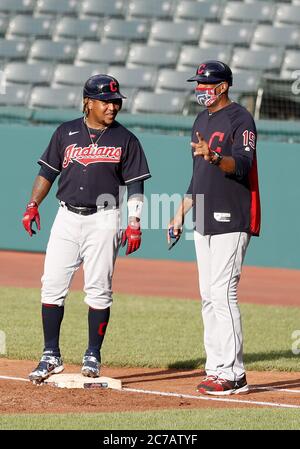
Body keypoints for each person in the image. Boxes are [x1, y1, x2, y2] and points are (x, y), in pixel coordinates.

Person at [23, 74, 151, 382]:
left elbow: (136, 186)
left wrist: (135, 223)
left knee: (98, 288)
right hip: (66, 216)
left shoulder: (126, 139)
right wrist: (32, 205)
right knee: (52, 283)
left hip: (106, 218)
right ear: (87, 102)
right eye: (106, 102)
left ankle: (93, 353)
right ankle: (50, 354)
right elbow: (47, 173)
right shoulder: (66, 132)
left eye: (115, 101)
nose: (112, 107)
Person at [168, 61, 261, 395]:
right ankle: (216, 367)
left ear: (223, 86)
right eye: (199, 84)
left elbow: (243, 164)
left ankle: (235, 373)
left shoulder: (240, 118)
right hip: (203, 216)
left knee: (223, 293)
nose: (201, 89)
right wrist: (180, 213)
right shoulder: (200, 119)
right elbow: (198, 176)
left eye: (207, 84)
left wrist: (214, 157)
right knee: (208, 296)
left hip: (231, 216)